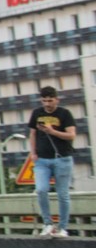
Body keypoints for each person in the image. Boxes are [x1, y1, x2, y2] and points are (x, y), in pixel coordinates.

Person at [29, 87, 78, 238]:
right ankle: (48, 223)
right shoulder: (37, 113)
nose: (47, 104)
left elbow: (71, 135)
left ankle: (62, 227)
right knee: (41, 189)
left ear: (57, 100)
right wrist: (33, 153)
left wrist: (52, 132)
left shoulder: (64, 114)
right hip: (42, 160)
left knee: (62, 194)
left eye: (50, 100)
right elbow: (32, 133)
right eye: (44, 101)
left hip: (62, 158)